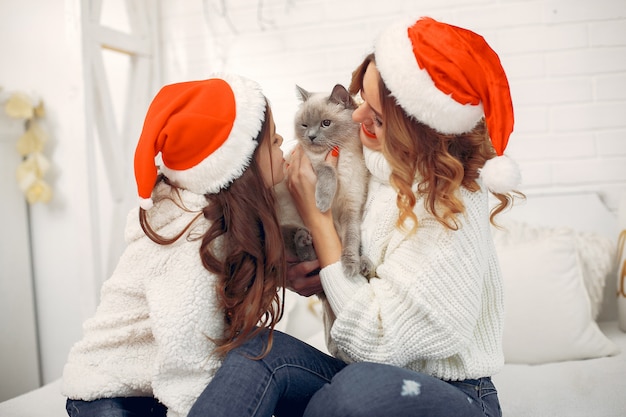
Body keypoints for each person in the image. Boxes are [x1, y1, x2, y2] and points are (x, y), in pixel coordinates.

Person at [189, 16, 521, 417]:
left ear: (415, 128)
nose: (360, 117)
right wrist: (299, 271)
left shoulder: (453, 203)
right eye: (361, 99)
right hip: (358, 371)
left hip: (455, 393)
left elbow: (382, 342)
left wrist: (319, 222)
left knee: (356, 388)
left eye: (377, 117)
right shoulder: (360, 161)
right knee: (256, 352)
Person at [62, 74, 294, 417]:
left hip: (149, 386)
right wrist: (194, 409)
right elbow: (186, 343)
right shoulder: (194, 236)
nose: (281, 139)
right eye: (270, 137)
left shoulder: (224, 213)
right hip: (104, 388)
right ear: (239, 164)